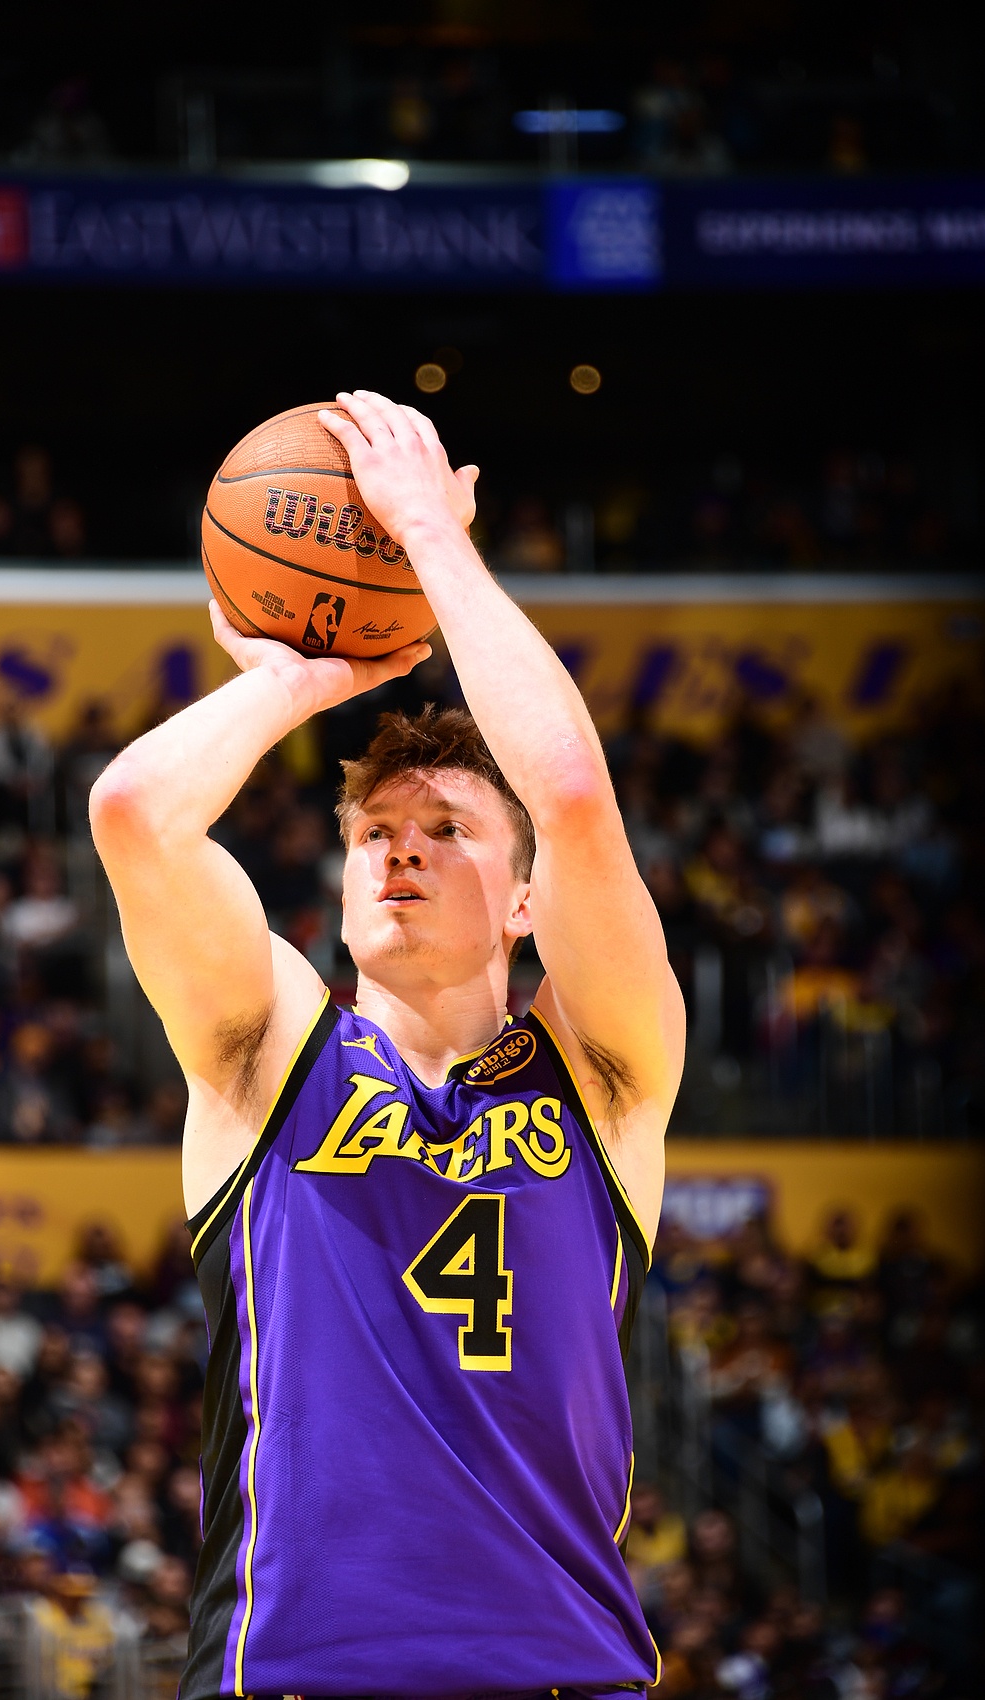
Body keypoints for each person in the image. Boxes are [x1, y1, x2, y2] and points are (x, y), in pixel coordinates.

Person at [90, 391, 686, 1698]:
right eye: (375, 834)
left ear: (524, 901)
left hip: (558, 1676)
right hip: (293, 1676)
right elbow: (134, 812)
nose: (401, 849)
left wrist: (432, 542)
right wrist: (299, 682)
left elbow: (570, 795)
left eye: (449, 831)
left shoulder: (600, 1073)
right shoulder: (269, 1054)